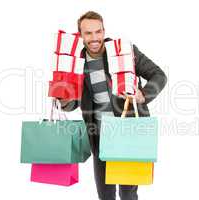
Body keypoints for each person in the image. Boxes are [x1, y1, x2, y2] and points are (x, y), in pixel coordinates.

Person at [58, 11, 167, 200]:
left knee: (127, 193)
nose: (94, 38)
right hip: (98, 135)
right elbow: (73, 102)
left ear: (103, 31)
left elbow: (159, 75)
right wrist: (64, 101)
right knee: (105, 194)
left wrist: (143, 95)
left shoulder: (124, 52)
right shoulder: (76, 61)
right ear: (80, 35)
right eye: (88, 33)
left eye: (98, 32)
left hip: (127, 133)